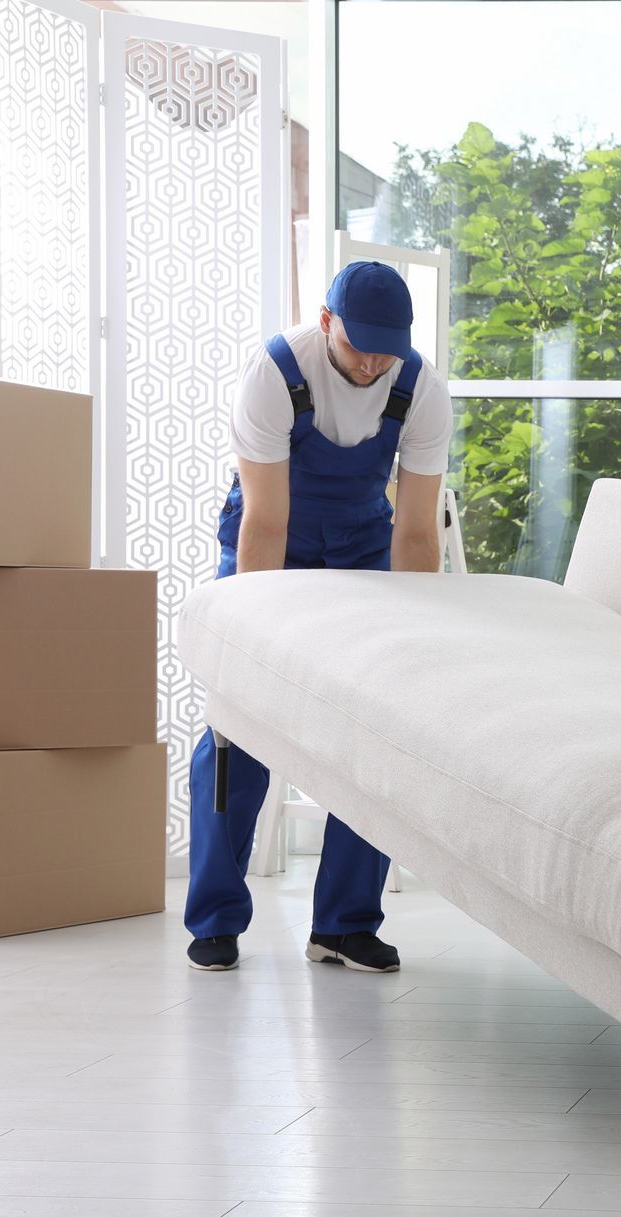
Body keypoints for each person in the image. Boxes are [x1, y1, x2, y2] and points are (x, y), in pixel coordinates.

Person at [184, 262, 449, 975]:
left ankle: (344, 925)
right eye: (360, 344)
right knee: (238, 731)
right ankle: (214, 919)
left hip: (364, 548)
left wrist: (411, 637)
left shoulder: (419, 386)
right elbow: (267, 520)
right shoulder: (274, 374)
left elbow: (418, 532)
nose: (372, 362)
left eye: (386, 348)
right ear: (327, 321)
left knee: (374, 730)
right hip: (273, 547)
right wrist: (253, 644)